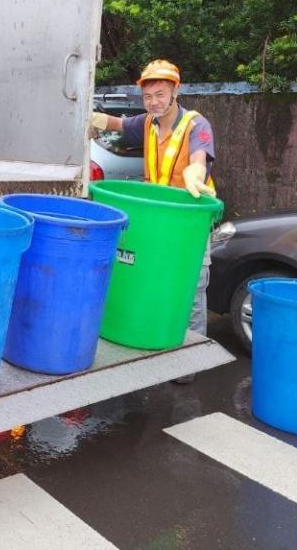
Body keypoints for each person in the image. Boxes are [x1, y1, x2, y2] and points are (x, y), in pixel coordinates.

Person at [90, 59, 216, 383]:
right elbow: (117, 124)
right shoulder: (147, 123)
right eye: (148, 96)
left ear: (176, 91)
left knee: (192, 286)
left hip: (189, 221)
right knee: (158, 281)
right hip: (158, 221)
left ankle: (189, 364)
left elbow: (200, 154)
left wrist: (196, 170)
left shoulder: (196, 124)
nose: (154, 102)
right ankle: (156, 341)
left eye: (160, 94)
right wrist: (91, 120)